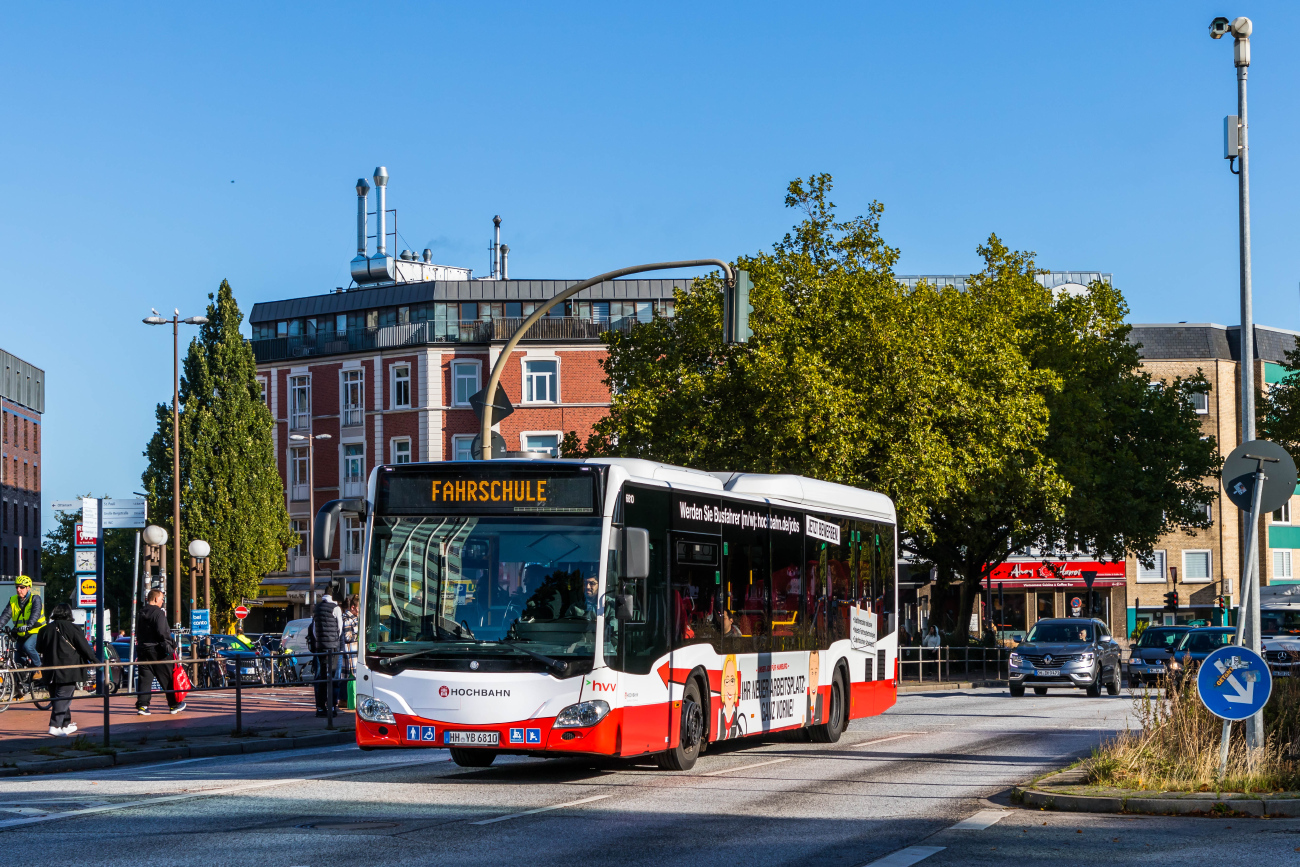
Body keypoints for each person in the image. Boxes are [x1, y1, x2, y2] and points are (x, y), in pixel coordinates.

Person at [35, 603, 96, 736]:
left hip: (50, 669)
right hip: (69, 668)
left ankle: (65, 724)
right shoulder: (73, 628)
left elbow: (38, 648)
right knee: (63, 697)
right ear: (69, 613)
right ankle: (55, 725)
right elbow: (84, 647)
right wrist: (95, 660)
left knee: (58, 697)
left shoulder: (44, 629)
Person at [135, 589, 184, 715]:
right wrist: (171, 644)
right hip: (158, 650)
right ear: (156, 599)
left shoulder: (141, 613)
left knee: (145, 678)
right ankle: (174, 705)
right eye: (162, 599)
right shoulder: (159, 613)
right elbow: (163, 632)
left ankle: (142, 706)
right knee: (166, 677)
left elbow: (139, 632)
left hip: (143, 649)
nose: (163, 601)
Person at [0, 575, 45, 695]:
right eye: (17, 587)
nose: (19, 589)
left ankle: (38, 668)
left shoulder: (35, 599)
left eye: (22, 587)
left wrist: (30, 624)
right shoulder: (13, 600)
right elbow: (6, 615)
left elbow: (35, 613)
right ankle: (21, 683)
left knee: (28, 647)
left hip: (36, 631)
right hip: (22, 633)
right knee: (17, 656)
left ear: (28, 588)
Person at [311, 590, 344, 716]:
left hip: (320, 648)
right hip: (333, 648)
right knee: (334, 678)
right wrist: (334, 641)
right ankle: (332, 707)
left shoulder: (316, 608)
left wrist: (320, 642)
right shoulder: (335, 608)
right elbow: (339, 629)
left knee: (322, 678)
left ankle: (320, 708)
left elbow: (314, 630)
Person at [342, 595, 359, 679]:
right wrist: (359, 637)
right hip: (351, 659)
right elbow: (347, 637)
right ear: (353, 607)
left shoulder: (355, 619)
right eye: (359, 607)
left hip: (354, 657)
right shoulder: (348, 620)